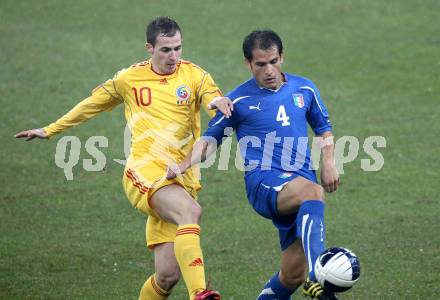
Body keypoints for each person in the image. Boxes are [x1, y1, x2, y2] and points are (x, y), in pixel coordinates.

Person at [15, 16, 233, 300]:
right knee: (190, 212)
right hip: (145, 171)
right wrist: (50, 130)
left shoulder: (195, 75)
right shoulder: (129, 79)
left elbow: (210, 97)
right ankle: (200, 294)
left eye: (178, 48)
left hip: (180, 177)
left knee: (166, 276)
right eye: (165, 50)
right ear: (149, 48)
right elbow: (91, 105)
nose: (173, 56)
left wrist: (215, 102)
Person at [167, 30, 340, 300]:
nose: (269, 70)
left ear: (281, 57)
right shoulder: (237, 101)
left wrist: (329, 163)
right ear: (248, 64)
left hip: (298, 184)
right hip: (264, 182)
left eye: (273, 61)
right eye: (261, 64)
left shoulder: (304, 88)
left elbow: (323, 128)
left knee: (292, 274)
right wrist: (184, 164)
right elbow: (210, 140)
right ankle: (321, 276)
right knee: (313, 192)